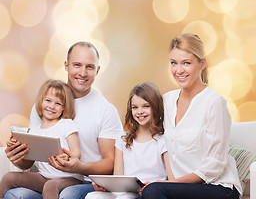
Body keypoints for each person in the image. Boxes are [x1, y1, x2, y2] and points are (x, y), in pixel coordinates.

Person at [4, 42, 123, 199]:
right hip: (46, 180)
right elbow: (29, 160)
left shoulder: (106, 110)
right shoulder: (44, 106)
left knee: (66, 194)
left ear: (97, 70)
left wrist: (80, 167)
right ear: (66, 66)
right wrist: (19, 157)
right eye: (77, 65)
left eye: (89, 67)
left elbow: (111, 162)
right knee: (15, 194)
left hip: (86, 182)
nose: (82, 72)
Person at [141, 33, 242, 199]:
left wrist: (169, 185)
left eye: (186, 63)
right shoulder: (166, 101)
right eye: (174, 63)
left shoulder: (215, 103)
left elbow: (214, 167)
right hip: (181, 188)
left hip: (219, 188)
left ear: (202, 64)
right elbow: (149, 140)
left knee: (154, 191)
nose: (179, 70)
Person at [85, 82, 174, 199]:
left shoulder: (163, 139)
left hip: (150, 192)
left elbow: (172, 180)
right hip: (125, 192)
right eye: (135, 107)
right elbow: (118, 177)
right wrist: (104, 186)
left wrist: (152, 186)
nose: (140, 111)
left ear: (155, 107)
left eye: (146, 106)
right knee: (92, 196)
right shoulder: (122, 139)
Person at [0, 79, 83, 199]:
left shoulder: (66, 124)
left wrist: (69, 157)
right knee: (9, 177)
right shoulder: (34, 130)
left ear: (64, 108)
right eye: (48, 100)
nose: (51, 106)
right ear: (41, 101)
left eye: (58, 104)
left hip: (69, 178)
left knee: (50, 186)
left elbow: (77, 153)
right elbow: (28, 160)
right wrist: (16, 147)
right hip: (45, 177)